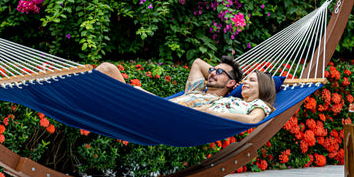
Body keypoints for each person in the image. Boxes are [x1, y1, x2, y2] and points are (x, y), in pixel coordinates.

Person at [96, 57, 275, 123]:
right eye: (212, 70)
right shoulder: (196, 91)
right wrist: (218, 74)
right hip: (159, 108)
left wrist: (231, 82)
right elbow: (198, 63)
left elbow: (252, 119)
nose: (211, 72)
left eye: (218, 72)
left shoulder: (219, 101)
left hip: (165, 115)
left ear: (231, 84)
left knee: (108, 70)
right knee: (107, 69)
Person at [197, 69, 276, 123]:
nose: (244, 82)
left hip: (212, 122)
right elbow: (203, 109)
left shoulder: (259, 104)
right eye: (246, 79)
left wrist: (217, 115)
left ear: (263, 87)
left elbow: (252, 120)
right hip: (199, 118)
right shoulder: (236, 100)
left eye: (252, 80)